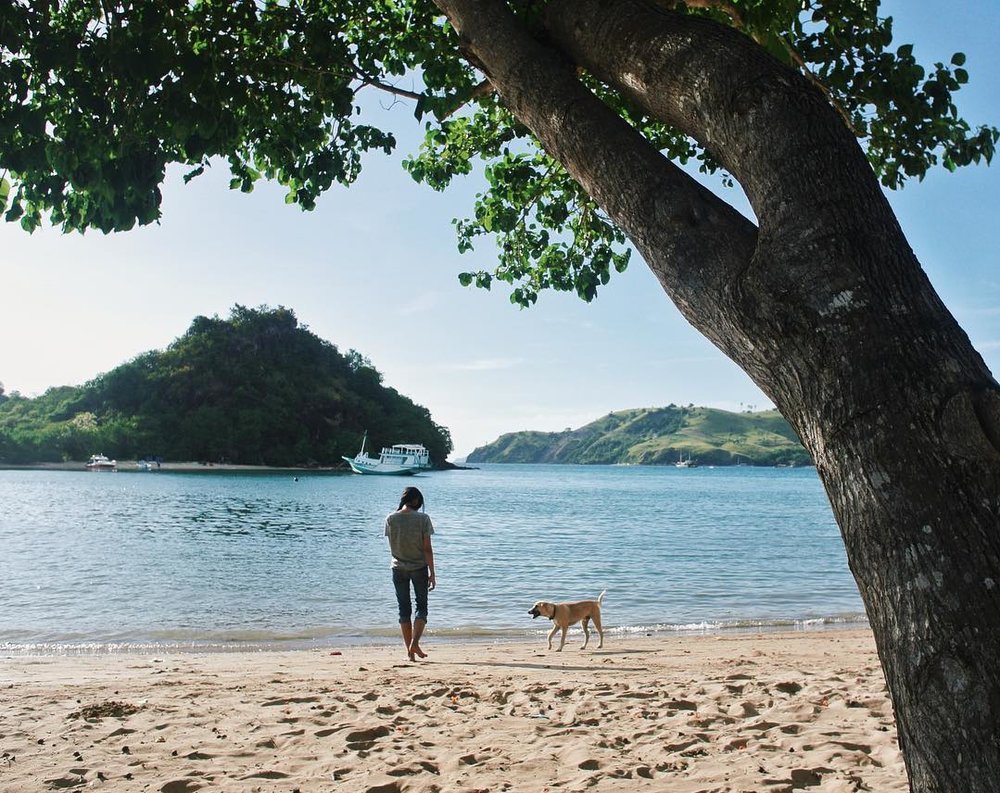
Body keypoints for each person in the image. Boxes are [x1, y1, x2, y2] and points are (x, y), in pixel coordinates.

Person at [384, 486, 436, 661]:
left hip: (398, 568)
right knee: (421, 607)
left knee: (403, 610)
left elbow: (392, 545)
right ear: (416, 501)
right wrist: (433, 573)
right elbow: (427, 549)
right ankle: (415, 643)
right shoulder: (423, 519)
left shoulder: (391, 518)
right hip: (419, 568)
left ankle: (410, 651)